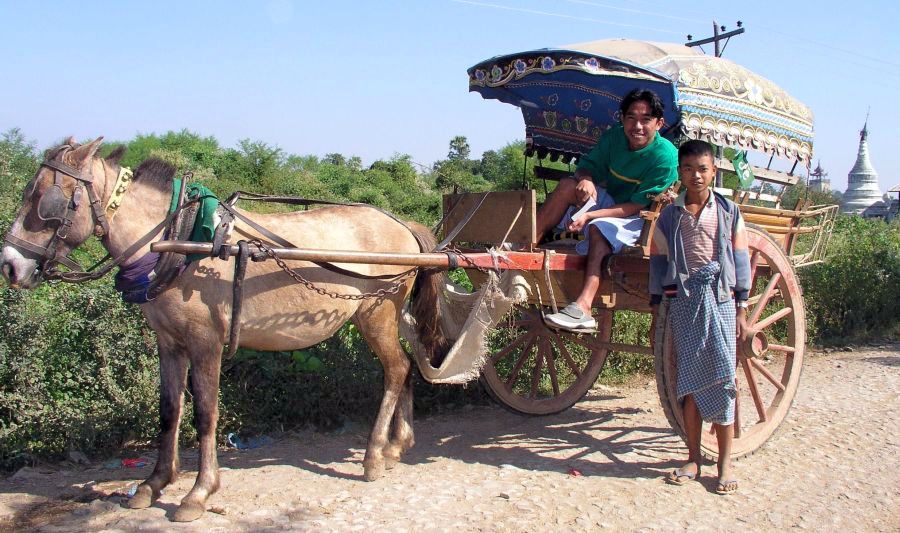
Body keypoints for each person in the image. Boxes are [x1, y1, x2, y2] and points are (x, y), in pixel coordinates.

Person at [649, 139, 751, 495]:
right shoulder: (670, 215)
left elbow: (739, 258)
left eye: (703, 169)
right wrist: (655, 306)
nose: (696, 176)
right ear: (680, 172)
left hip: (721, 300)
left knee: (724, 378)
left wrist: (741, 306)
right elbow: (659, 260)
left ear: (713, 171)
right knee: (689, 384)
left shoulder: (729, 211)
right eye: (689, 169)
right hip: (685, 302)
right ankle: (693, 457)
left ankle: (724, 463)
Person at [541, 89, 678, 332]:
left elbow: (634, 206)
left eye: (645, 119)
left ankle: (583, 308)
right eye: (631, 118)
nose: (637, 126)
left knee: (599, 228)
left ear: (659, 123)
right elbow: (587, 167)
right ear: (622, 119)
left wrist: (590, 215)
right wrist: (586, 179)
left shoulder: (665, 156)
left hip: (640, 217)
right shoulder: (614, 137)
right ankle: (524, 246)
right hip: (611, 201)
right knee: (567, 186)